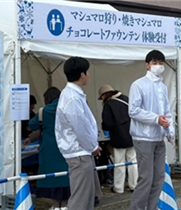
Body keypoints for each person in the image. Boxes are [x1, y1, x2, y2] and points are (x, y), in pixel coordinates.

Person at [128, 50, 175, 210]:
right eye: (155, 62)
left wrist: (170, 131)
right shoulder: (138, 84)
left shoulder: (162, 86)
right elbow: (133, 110)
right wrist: (156, 119)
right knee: (146, 178)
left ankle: (152, 207)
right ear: (147, 65)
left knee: (159, 178)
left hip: (159, 137)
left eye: (161, 63)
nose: (158, 66)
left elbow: (167, 112)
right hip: (143, 137)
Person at [55, 57, 102, 210]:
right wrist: (93, 146)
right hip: (79, 152)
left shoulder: (72, 94)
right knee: (81, 198)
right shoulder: (73, 98)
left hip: (80, 151)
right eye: (87, 72)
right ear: (82, 74)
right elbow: (80, 128)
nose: (88, 75)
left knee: (87, 196)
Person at [23, 87, 70, 210]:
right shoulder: (67, 107)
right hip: (67, 148)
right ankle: (65, 205)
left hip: (49, 151)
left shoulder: (45, 111)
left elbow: (32, 124)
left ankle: (55, 206)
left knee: (52, 180)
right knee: (66, 178)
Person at [98, 84, 138, 193]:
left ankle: (119, 187)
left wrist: (103, 126)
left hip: (118, 137)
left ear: (105, 95)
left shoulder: (109, 104)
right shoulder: (126, 99)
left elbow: (108, 124)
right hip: (132, 134)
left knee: (119, 162)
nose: (101, 99)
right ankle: (134, 185)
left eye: (101, 97)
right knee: (133, 161)